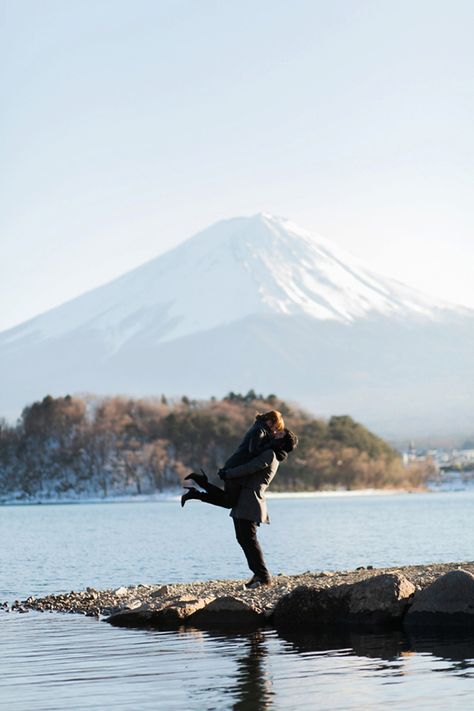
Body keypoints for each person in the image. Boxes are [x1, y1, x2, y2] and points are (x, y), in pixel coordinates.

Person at [183, 428, 298, 588]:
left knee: (248, 539)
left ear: (282, 442)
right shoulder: (270, 453)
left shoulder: (270, 455)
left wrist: (229, 473)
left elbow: (250, 467)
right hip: (246, 499)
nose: (274, 434)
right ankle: (259, 574)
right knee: (244, 539)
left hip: (250, 501)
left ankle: (263, 577)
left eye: (279, 435)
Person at [181, 410, 284, 509]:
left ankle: (198, 486)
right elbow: (253, 450)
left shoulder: (259, 428)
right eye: (275, 428)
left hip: (235, 464)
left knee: (228, 500)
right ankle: (196, 491)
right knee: (229, 502)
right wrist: (270, 445)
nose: (274, 432)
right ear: (270, 421)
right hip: (236, 466)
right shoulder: (260, 430)